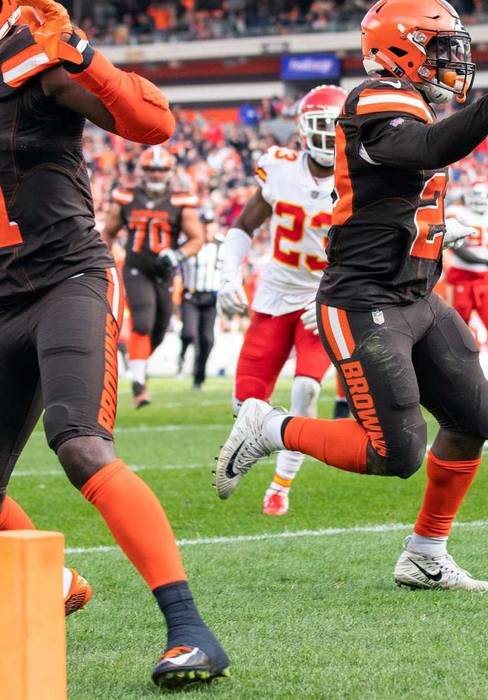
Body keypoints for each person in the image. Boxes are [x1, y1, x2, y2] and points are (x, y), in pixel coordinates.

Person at [215, 0, 488, 591]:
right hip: (363, 299)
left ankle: (425, 554)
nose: (451, 61)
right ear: (401, 49)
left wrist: (435, 229)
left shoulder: (415, 103)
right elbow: (429, 151)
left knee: (473, 418)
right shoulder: (379, 97)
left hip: (415, 295)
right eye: (438, 48)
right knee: (397, 453)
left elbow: (395, 190)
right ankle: (271, 428)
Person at [0, 0, 228, 686]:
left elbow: (151, 123)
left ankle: (190, 628)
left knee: (79, 441)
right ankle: (51, 581)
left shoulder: (32, 62)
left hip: (65, 281)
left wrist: (81, 54)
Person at [215, 84, 346, 517]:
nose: (328, 139)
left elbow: (371, 251)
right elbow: (243, 225)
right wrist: (227, 273)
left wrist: (333, 295)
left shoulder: (359, 179)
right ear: (302, 131)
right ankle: (257, 441)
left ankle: (281, 485)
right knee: (244, 405)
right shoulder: (279, 168)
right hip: (274, 296)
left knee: (307, 388)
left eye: (336, 129)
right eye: (320, 128)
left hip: (319, 301)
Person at [103, 145, 205, 407]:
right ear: (142, 171)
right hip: (136, 268)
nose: (156, 174)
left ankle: (139, 365)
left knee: (159, 328)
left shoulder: (180, 201)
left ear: (169, 172)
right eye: (151, 169)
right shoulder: (126, 197)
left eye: (160, 170)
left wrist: (178, 255)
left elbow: (197, 239)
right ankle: (139, 385)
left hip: (164, 271)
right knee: (143, 321)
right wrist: (107, 254)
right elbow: (109, 232)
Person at [444, 181, 488, 393]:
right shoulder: (457, 213)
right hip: (462, 276)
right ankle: (453, 376)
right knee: (456, 326)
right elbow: (459, 250)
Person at [178, 228, 223, 390]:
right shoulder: (187, 244)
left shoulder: (222, 245)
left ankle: (199, 377)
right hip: (191, 296)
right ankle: (182, 355)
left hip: (211, 298)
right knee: (189, 333)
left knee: (207, 340)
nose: (209, 231)